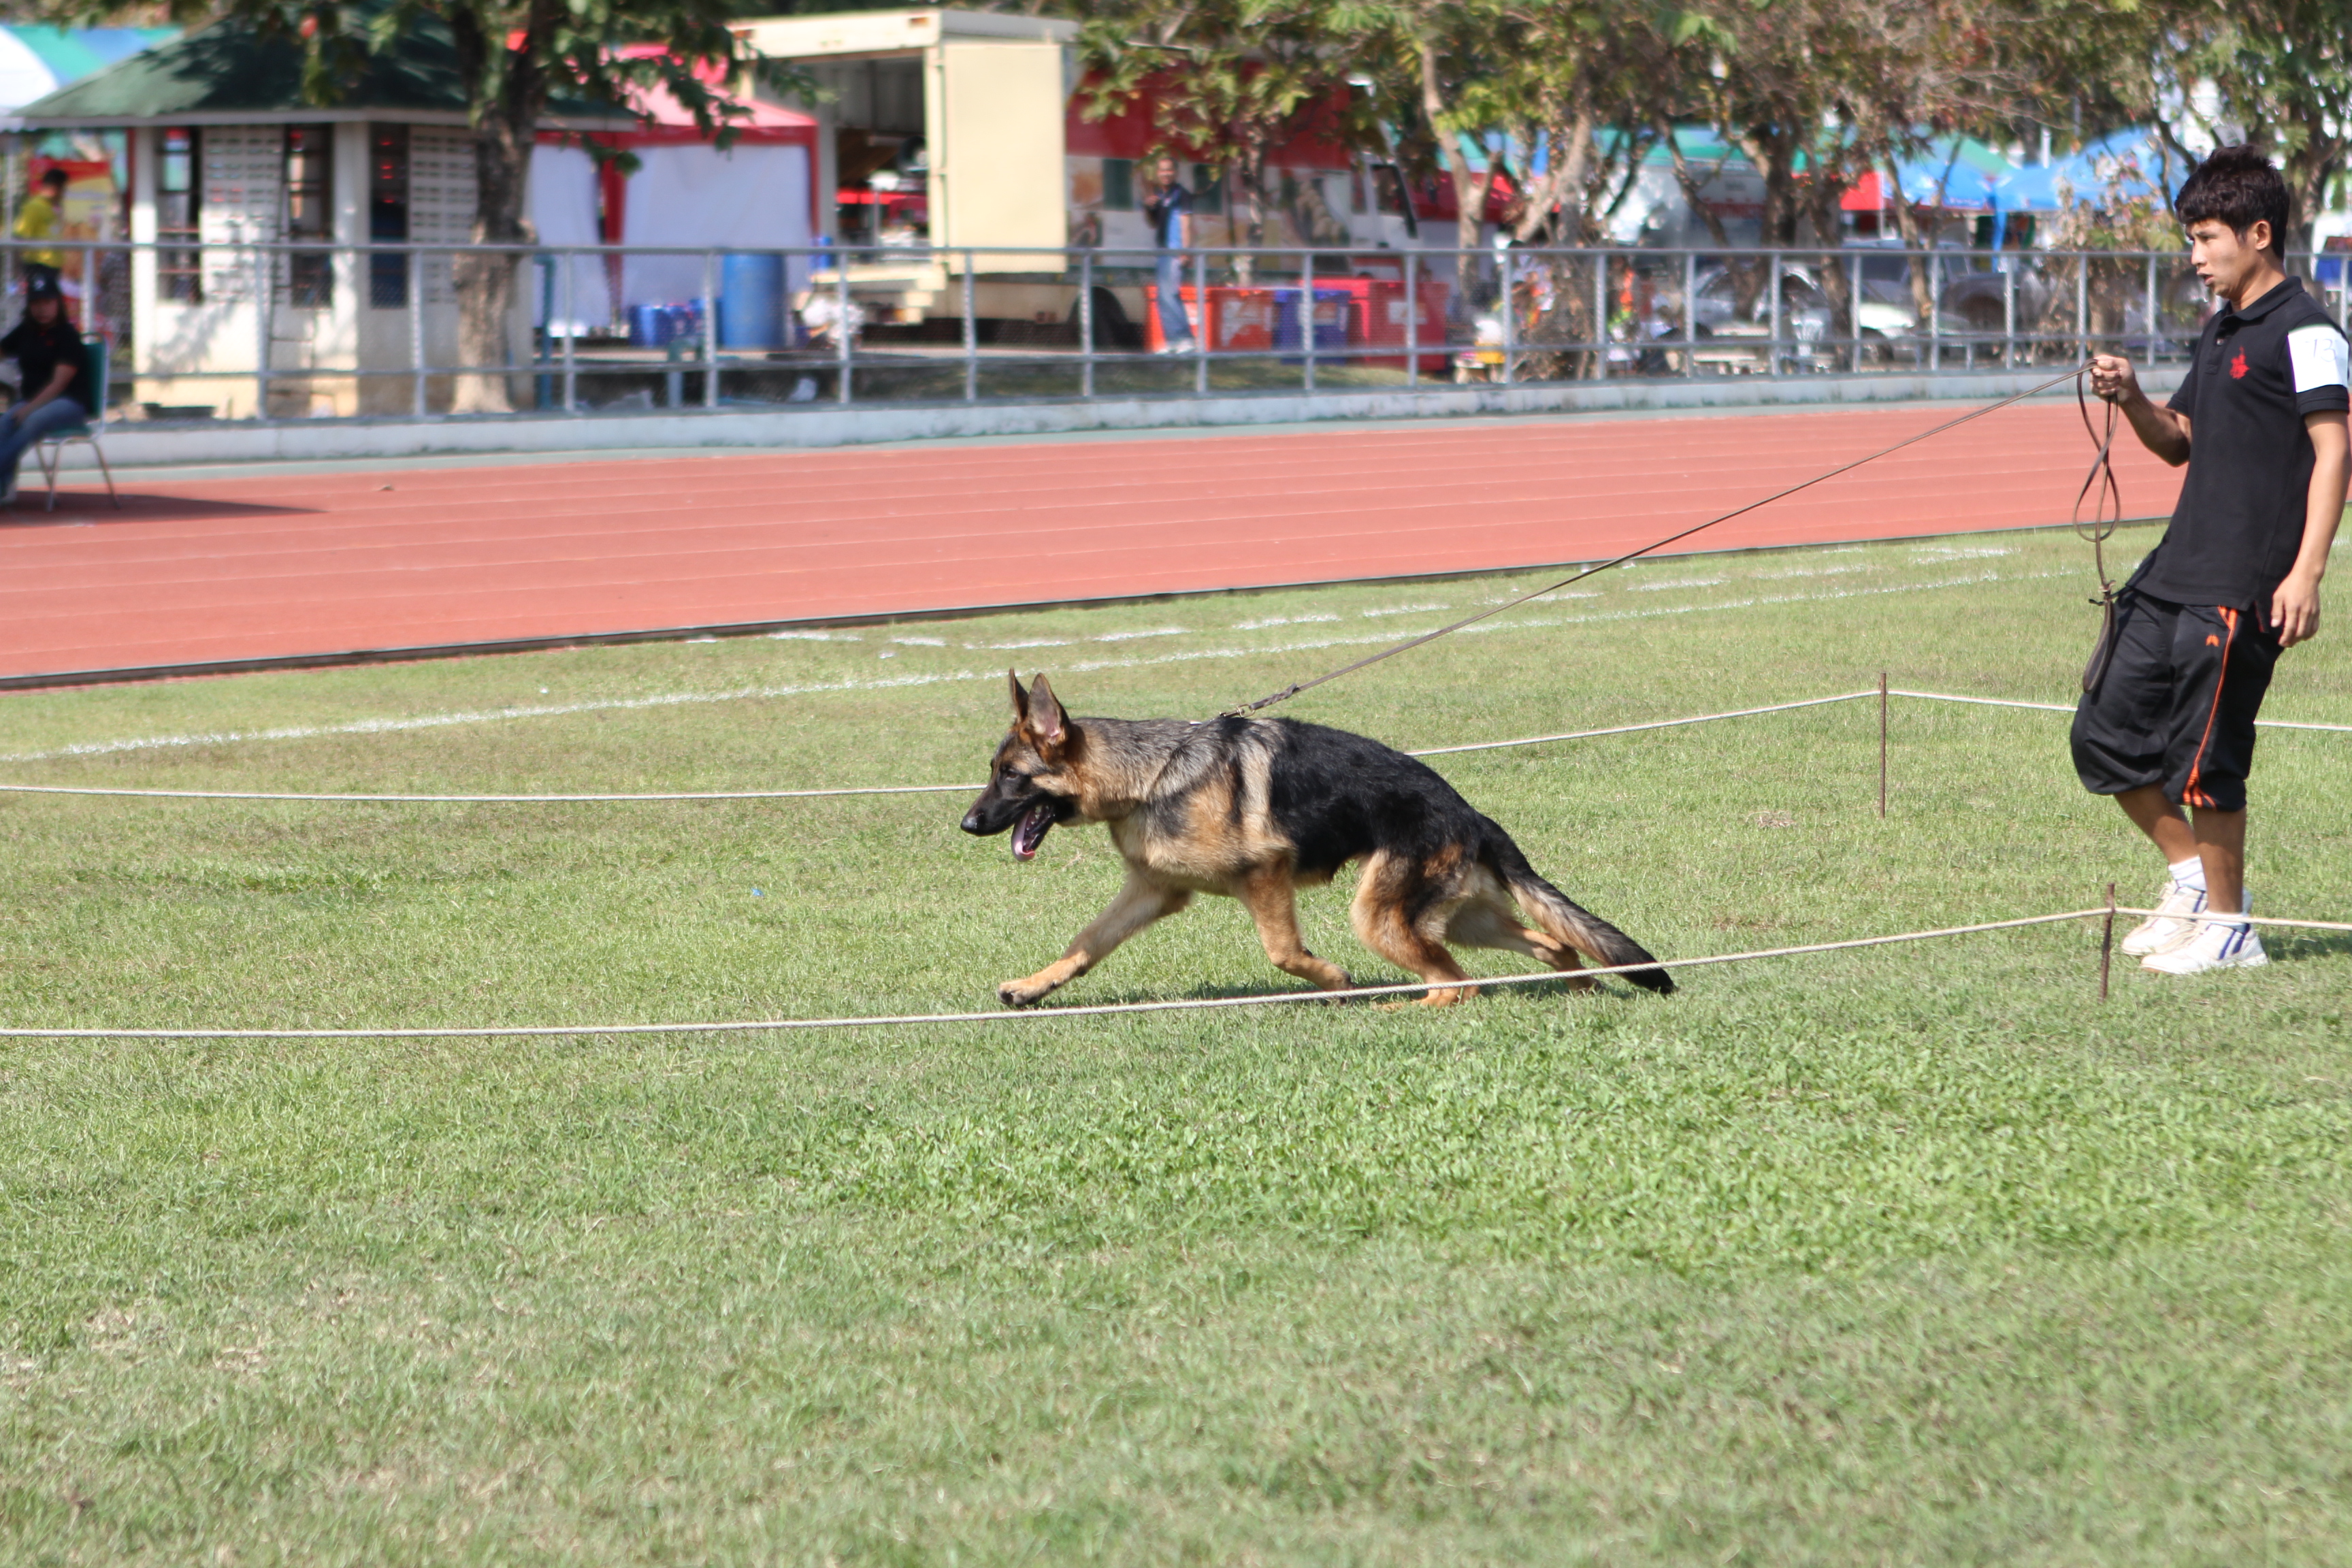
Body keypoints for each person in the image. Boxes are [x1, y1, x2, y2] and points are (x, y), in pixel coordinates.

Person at [2077, 145, 2348, 974]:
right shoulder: (2221, 326)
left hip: (2242, 583)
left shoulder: (2307, 330)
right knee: (2105, 735)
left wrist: (2306, 573)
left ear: (2258, 234)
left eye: (2205, 238)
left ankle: (2232, 931)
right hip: (2172, 572)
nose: (2194, 256)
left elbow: (2335, 450)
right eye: (2190, 239)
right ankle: (2194, 883)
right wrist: (2132, 397)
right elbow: (2179, 442)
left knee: (2207, 760)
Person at [0, 274, 91, 506]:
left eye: (47, 302)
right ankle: (3, 487)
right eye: (36, 303)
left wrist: (29, 409)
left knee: (33, 420)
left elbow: (59, 384)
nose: (42, 309)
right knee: (4, 423)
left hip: (69, 402)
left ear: (58, 303)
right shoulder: (26, 331)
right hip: (32, 401)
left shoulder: (68, 336)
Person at [1142, 154, 1196, 355]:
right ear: (1158, 173)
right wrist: (1149, 208)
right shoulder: (1159, 195)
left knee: (1171, 294)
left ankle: (1186, 339)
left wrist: (1186, 251)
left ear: (1176, 172)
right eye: (1162, 170)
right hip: (1162, 251)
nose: (1166, 174)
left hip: (1175, 251)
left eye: (1169, 170)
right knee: (1162, 296)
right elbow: (1153, 223)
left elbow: (1187, 223)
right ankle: (1172, 340)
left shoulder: (1182, 195)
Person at [14, 166, 68, 296]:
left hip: (53, 268)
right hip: (38, 266)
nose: (64, 194)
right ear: (55, 187)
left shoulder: (53, 208)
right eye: (63, 189)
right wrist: (18, 271)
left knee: (53, 304)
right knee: (41, 303)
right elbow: (20, 236)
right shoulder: (34, 207)